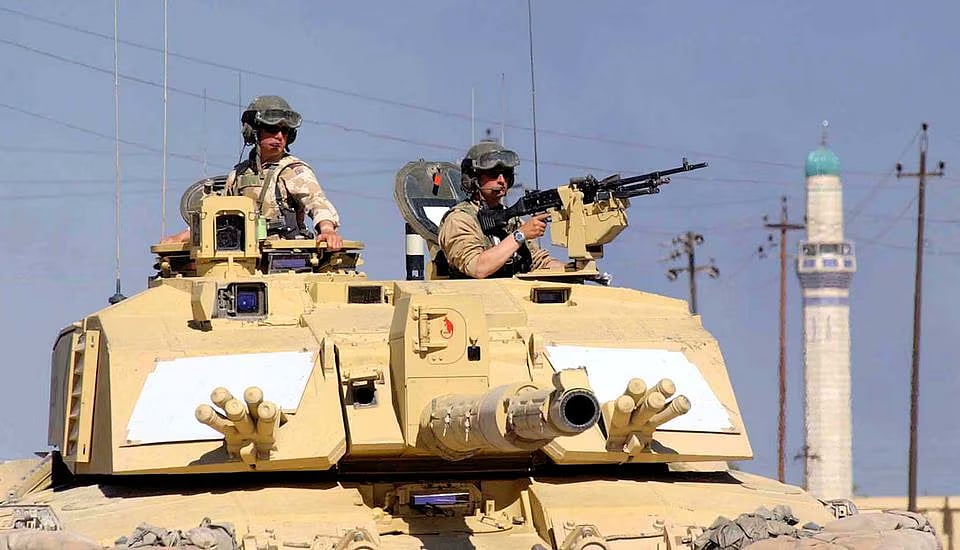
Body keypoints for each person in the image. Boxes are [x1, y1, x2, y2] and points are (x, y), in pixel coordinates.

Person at [163, 95, 342, 250]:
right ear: (253, 132)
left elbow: (317, 201)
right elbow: (216, 217)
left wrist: (327, 229)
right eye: (272, 129)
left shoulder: (292, 170)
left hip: (285, 256)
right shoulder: (238, 175)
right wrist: (179, 238)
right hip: (244, 257)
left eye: (285, 130)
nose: (279, 136)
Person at [437, 140, 566, 278]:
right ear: (473, 178)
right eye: (493, 174)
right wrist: (520, 235)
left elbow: (537, 261)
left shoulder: (511, 220)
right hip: (474, 297)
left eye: (506, 175)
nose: (501, 180)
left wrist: (573, 269)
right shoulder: (459, 220)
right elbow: (478, 268)